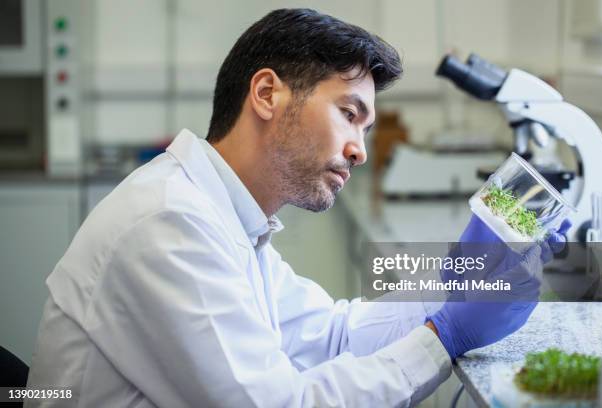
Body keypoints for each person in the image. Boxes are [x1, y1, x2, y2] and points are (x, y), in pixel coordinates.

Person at [25, 8, 566, 407]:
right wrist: (444, 336)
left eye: (366, 127)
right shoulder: (170, 222)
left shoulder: (227, 218)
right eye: (349, 113)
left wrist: (454, 279)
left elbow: (331, 336)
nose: (359, 147)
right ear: (266, 94)